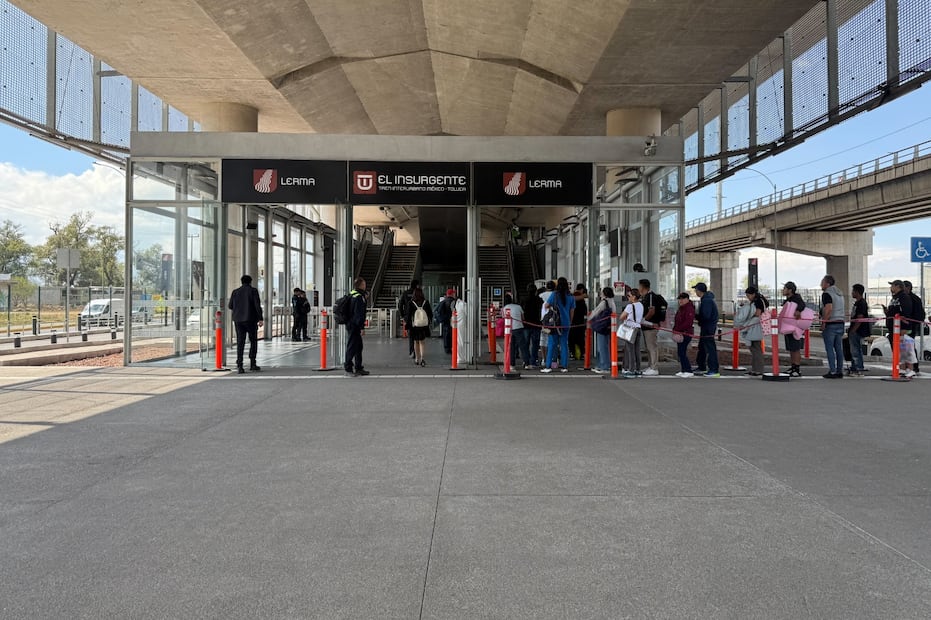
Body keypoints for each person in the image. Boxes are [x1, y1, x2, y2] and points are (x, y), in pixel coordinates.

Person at [228, 274, 264, 374]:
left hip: (238, 321)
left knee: (240, 342)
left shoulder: (235, 292)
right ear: (250, 282)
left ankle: (240, 365)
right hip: (251, 320)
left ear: (241, 282)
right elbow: (257, 305)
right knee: (253, 341)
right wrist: (260, 318)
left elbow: (230, 306)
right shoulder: (253, 291)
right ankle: (253, 363)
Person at [541, 277, 575, 373]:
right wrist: (570, 322)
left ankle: (548, 366)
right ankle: (564, 366)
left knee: (552, 344)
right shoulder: (571, 296)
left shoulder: (554, 295)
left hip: (555, 323)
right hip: (566, 323)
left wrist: (553, 307)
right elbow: (572, 311)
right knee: (564, 344)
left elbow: (546, 305)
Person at [819, 275, 846, 379]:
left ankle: (832, 370)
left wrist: (824, 322)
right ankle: (839, 370)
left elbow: (828, 309)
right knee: (839, 348)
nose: (821, 284)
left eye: (822, 282)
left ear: (827, 283)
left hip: (831, 323)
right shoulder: (840, 293)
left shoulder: (827, 294)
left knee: (829, 348)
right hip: (840, 322)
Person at [735, 286, 766, 376]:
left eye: (749, 295)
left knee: (756, 350)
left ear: (753, 294)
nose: (748, 297)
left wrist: (745, 326)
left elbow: (757, 315)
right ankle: (755, 369)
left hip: (755, 327)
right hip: (754, 327)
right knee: (754, 349)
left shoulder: (758, 302)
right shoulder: (758, 301)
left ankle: (758, 369)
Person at [638, 278, 667, 376]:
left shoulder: (650, 297)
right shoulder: (646, 297)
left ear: (642, 287)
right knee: (649, 347)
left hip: (651, 325)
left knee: (652, 347)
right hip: (647, 326)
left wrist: (644, 319)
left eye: (639, 286)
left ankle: (654, 367)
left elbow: (651, 311)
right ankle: (651, 366)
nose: (639, 288)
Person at [693, 282, 719, 377]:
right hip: (707, 326)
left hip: (708, 327)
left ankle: (713, 369)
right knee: (702, 347)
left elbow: (706, 316)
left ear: (699, 291)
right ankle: (702, 366)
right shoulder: (707, 299)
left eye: (696, 290)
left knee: (710, 348)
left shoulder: (706, 300)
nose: (695, 292)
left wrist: (697, 316)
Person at [344, 277, 369, 377]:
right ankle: (348, 368)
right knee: (352, 347)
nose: (365, 286)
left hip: (350, 323)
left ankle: (359, 367)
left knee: (358, 346)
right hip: (354, 325)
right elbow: (359, 314)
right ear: (361, 285)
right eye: (364, 284)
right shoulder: (359, 297)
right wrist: (361, 327)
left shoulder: (352, 294)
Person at [781, 281, 806, 378]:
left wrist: (798, 310)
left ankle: (796, 368)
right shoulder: (788, 300)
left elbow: (802, 305)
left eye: (785, 289)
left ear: (790, 290)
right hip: (788, 326)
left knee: (795, 348)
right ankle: (793, 366)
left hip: (795, 327)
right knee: (791, 347)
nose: (783, 291)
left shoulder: (796, 298)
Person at [588, 287, 616, 373]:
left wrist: (588, 319)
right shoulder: (612, 302)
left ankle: (604, 366)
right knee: (605, 346)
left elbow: (596, 311)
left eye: (602, 292)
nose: (600, 294)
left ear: (605, 294)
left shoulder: (604, 302)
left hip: (602, 326)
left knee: (602, 347)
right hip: (609, 326)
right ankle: (603, 364)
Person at [619, 288, 643, 377]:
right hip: (638, 328)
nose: (628, 297)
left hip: (630, 329)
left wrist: (626, 317)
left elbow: (621, 317)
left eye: (629, 296)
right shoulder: (641, 305)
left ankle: (631, 369)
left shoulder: (630, 306)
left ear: (633, 297)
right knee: (637, 350)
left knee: (630, 350)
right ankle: (638, 369)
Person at [848, 283, 871, 376]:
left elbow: (860, 317)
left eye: (853, 291)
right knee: (857, 348)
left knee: (855, 349)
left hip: (858, 330)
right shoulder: (858, 303)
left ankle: (857, 367)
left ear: (857, 292)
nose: (852, 293)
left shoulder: (861, 303)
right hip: (856, 329)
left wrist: (853, 329)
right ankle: (856, 366)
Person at [406, 287, 433, 366]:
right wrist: (429, 322)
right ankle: (422, 358)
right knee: (422, 342)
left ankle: (417, 358)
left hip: (415, 325)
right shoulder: (426, 302)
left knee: (416, 342)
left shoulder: (411, 303)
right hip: (423, 325)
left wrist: (407, 325)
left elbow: (408, 315)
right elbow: (430, 314)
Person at [903, 280, 925, 375]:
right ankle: (908, 367)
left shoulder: (913, 299)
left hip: (910, 326)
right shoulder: (907, 298)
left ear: (908, 288)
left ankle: (913, 367)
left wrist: (911, 321)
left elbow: (920, 314)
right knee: (905, 346)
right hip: (908, 325)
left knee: (909, 346)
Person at [883, 279, 913, 344]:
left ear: (898, 286)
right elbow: (894, 311)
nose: (890, 287)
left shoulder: (904, 297)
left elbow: (906, 312)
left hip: (900, 329)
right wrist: (887, 313)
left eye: (892, 285)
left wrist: (904, 327)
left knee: (900, 350)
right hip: (892, 328)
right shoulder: (894, 297)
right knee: (895, 350)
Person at [672, 292, 695, 377]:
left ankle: (688, 370)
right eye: (679, 299)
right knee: (680, 352)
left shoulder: (689, 308)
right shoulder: (681, 308)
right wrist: (675, 329)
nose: (680, 301)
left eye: (683, 299)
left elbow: (688, 323)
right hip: (680, 332)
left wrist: (677, 329)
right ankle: (683, 369)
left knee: (682, 352)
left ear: (687, 299)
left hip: (686, 333)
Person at [501, 293, 527, 367]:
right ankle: (526, 362)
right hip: (519, 328)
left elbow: (504, 319)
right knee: (523, 346)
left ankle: (512, 363)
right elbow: (523, 318)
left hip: (509, 330)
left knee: (511, 347)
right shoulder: (518, 307)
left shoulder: (504, 309)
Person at [521, 283, 543, 369]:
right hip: (536, 324)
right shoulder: (539, 300)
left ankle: (526, 361)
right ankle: (533, 361)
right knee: (535, 344)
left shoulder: (524, 300)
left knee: (526, 343)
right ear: (535, 291)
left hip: (526, 324)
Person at [398, 278, 419, 359]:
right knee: (417, 335)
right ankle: (418, 351)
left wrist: (403, 316)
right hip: (417, 317)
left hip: (408, 317)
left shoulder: (405, 293)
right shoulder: (418, 293)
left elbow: (400, 305)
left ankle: (412, 351)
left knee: (411, 335)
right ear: (417, 285)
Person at [569, 283, 588, 360]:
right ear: (582, 290)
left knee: (571, 338)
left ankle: (572, 354)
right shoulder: (581, 299)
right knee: (581, 338)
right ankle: (582, 354)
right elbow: (584, 311)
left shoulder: (571, 296)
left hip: (572, 321)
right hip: (580, 322)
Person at [436, 288, 455, 355]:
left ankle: (447, 348)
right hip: (453, 320)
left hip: (445, 321)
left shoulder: (443, 301)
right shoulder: (454, 301)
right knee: (452, 334)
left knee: (446, 335)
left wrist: (441, 320)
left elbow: (437, 310)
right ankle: (452, 347)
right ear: (452, 294)